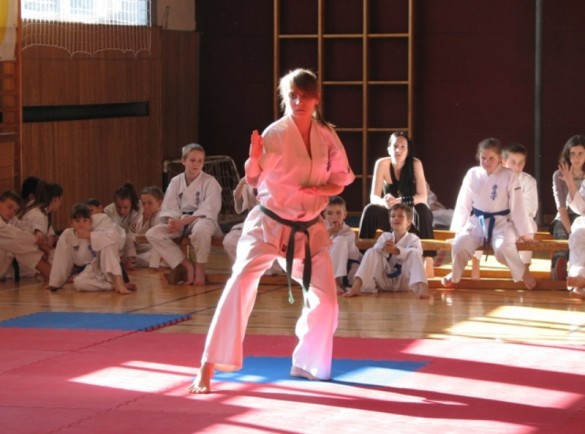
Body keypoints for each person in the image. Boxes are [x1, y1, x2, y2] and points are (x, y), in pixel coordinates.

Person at [188, 68, 354, 394]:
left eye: (304, 96)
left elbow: (341, 179)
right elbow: (253, 179)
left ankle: (308, 363)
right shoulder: (276, 134)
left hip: (309, 229)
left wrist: (319, 190)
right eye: (292, 96)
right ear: (284, 98)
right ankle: (208, 364)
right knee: (240, 282)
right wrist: (252, 159)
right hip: (269, 223)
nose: (298, 101)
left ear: (316, 99)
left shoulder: (325, 135)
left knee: (327, 303)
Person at [441, 138, 536, 290]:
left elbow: (517, 206)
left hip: (501, 222)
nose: (486, 162)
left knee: (503, 248)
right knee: (460, 244)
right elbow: (463, 204)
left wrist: (525, 233)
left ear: (500, 158)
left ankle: (523, 272)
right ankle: (455, 274)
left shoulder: (508, 174)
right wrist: (457, 230)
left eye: (491, 158)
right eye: (483, 158)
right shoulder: (472, 174)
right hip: (477, 222)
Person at [357, 131, 435, 277]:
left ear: (408, 150)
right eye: (395, 146)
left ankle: (428, 259)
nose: (398, 150)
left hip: (409, 217)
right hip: (391, 215)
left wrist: (402, 200)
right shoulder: (382, 164)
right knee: (370, 209)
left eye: (403, 147)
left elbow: (423, 196)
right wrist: (384, 201)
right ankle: (362, 256)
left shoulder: (415, 164)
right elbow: (373, 196)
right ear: (388, 149)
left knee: (422, 210)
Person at [146, 143, 223, 285]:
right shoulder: (176, 181)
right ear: (183, 161)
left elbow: (208, 210)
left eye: (200, 161)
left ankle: (200, 269)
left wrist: (183, 222)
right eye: (192, 160)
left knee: (201, 229)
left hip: (203, 220)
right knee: (153, 234)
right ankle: (186, 265)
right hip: (180, 221)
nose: (196, 164)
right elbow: (170, 206)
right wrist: (172, 221)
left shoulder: (210, 182)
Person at [471, 143, 538, 278]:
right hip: (497, 220)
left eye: (521, 163)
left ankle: (525, 267)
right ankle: (475, 263)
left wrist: (517, 220)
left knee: (529, 226)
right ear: (503, 162)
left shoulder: (529, 181)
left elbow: (530, 208)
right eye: (513, 162)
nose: (517, 167)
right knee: (478, 224)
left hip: (518, 221)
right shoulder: (492, 177)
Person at [343, 203, 429, 299]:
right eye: (393, 216)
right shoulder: (385, 236)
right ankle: (356, 287)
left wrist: (396, 250)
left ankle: (422, 288)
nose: (396, 218)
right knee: (372, 251)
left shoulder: (413, 239)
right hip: (384, 281)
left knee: (414, 253)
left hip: (404, 281)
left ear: (408, 222)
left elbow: (416, 256)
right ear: (389, 221)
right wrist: (385, 249)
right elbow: (376, 254)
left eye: (400, 216)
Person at [48, 203, 135, 294]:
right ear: (71, 222)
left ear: (90, 221)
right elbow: (61, 258)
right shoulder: (67, 235)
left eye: (85, 220)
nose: (81, 224)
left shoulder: (99, 226)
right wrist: (55, 283)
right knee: (78, 283)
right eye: (77, 221)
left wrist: (90, 235)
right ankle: (113, 286)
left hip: (107, 267)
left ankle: (119, 281)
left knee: (107, 244)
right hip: (89, 271)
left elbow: (115, 238)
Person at [222, 177, 283, 275]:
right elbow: (239, 206)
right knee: (230, 240)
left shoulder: (280, 178)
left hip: (277, 224)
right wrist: (241, 184)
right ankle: (245, 270)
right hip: (253, 222)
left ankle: (273, 270)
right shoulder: (251, 179)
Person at [550, 135, 585, 281]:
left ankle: (578, 274)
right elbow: (561, 207)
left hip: (582, 215)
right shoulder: (559, 174)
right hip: (564, 216)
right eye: (572, 154)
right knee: (562, 233)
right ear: (567, 155)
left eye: (580, 153)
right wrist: (570, 231)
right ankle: (559, 264)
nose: (576, 158)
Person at [0, 191, 51, 282]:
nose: (11, 212)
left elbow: (26, 228)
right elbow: (16, 237)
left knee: (21, 246)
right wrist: (39, 243)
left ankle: (51, 274)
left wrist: (37, 233)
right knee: (18, 244)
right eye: (9, 207)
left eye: (15, 211)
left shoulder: (12, 220)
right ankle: (52, 274)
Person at [16, 181, 63, 263]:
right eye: (61, 200)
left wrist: (52, 238)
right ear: (56, 199)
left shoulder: (34, 207)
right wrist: (49, 251)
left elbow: (51, 235)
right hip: (27, 257)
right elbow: (39, 239)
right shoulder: (39, 215)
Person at [324, 196, 362, 294]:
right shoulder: (320, 229)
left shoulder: (349, 232)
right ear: (324, 215)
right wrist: (330, 232)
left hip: (347, 270)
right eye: (329, 213)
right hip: (325, 268)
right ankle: (333, 281)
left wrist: (333, 232)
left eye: (338, 213)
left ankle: (335, 281)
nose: (334, 217)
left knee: (340, 241)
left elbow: (336, 249)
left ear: (344, 215)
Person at [127, 186, 164, 269]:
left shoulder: (162, 215)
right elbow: (138, 233)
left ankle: (131, 261)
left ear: (160, 202)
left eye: (149, 203)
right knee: (128, 241)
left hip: (159, 250)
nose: (146, 206)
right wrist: (144, 219)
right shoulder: (147, 214)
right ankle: (130, 260)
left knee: (136, 259)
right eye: (143, 203)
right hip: (148, 247)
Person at [104, 182, 141, 263]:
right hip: (115, 245)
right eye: (119, 207)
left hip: (132, 244)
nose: (122, 211)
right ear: (114, 203)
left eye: (126, 207)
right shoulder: (108, 211)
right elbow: (110, 236)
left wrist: (128, 255)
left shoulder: (137, 209)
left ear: (131, 204)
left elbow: (132, 236)